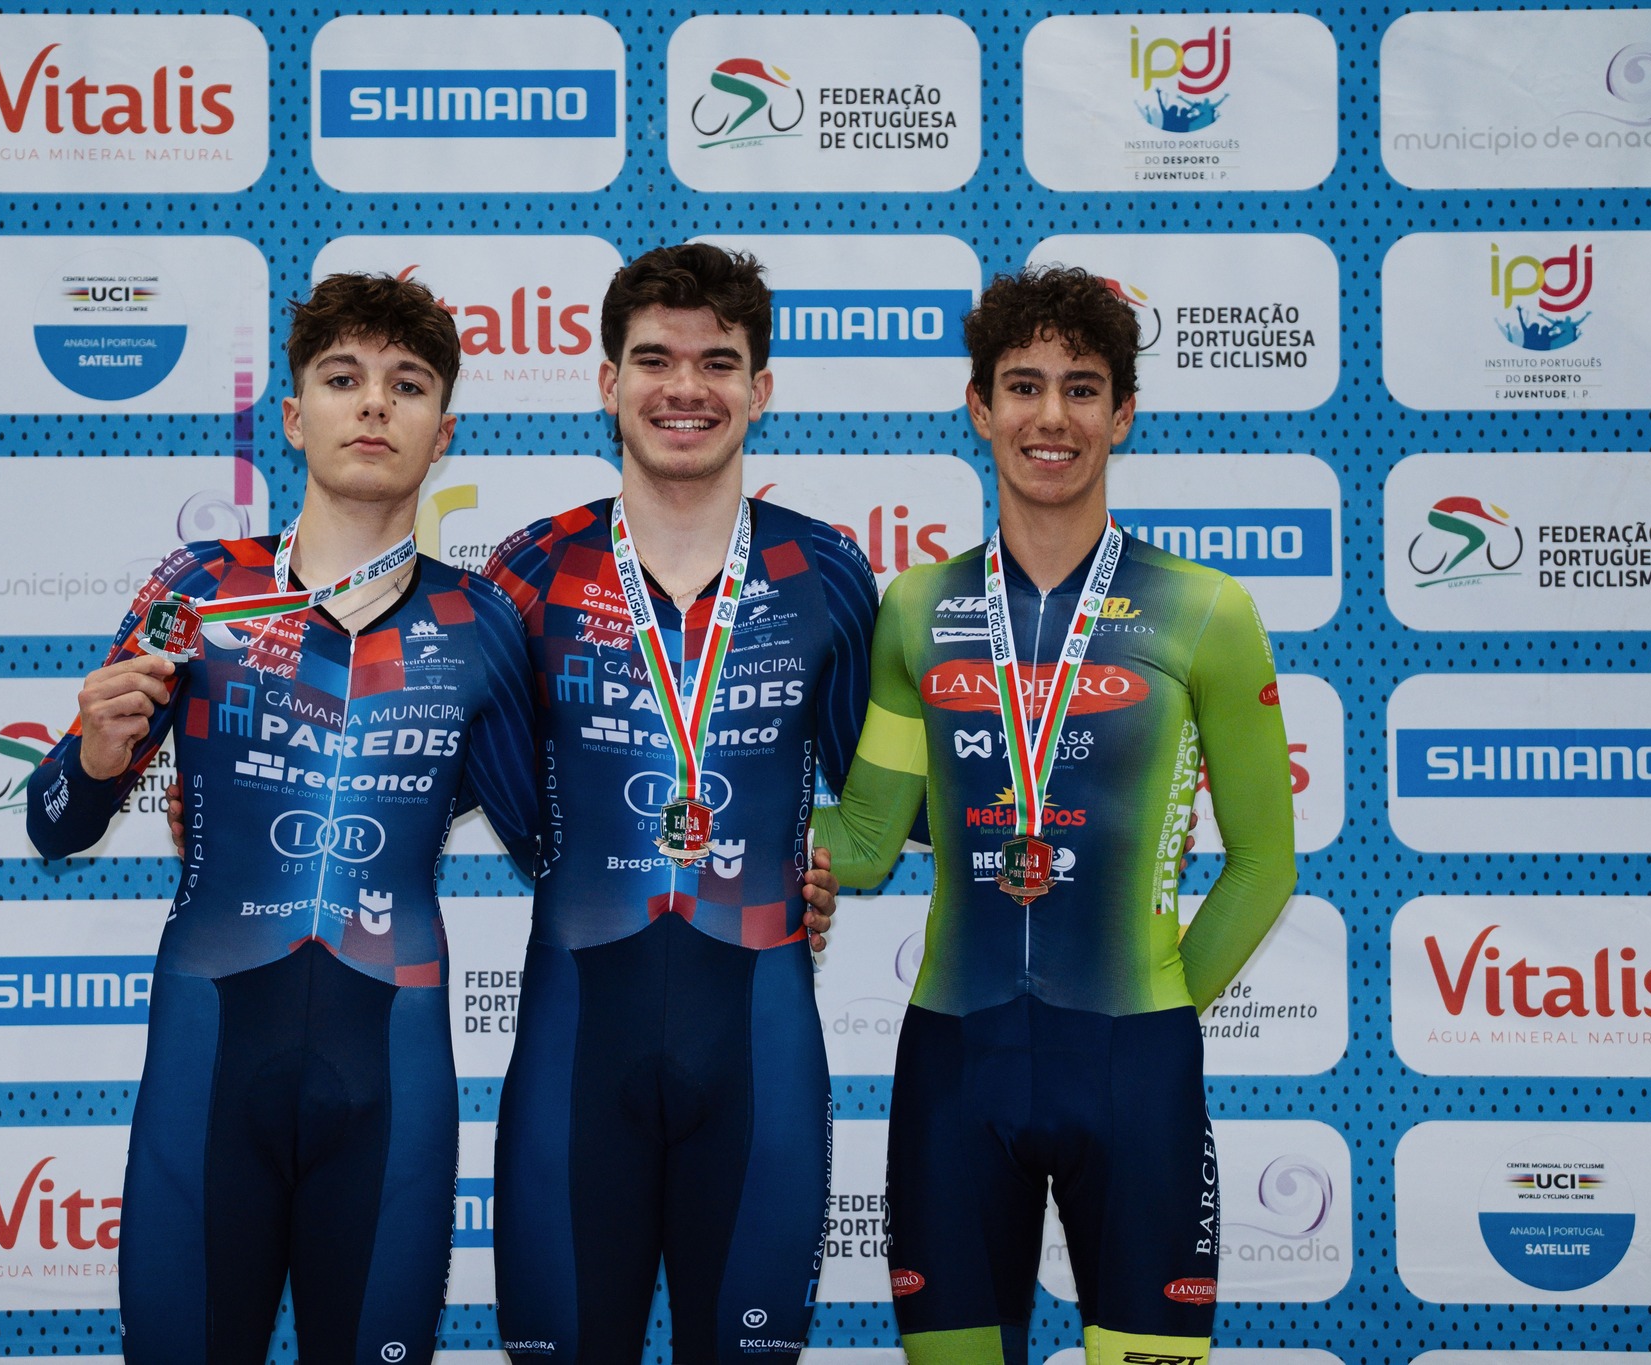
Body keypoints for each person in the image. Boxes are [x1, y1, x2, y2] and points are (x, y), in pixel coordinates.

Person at [26, 272, 540, 1365]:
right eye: (342, 379)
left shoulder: (481, 618)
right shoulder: (200, 586)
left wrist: (777, 875)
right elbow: (55, 823)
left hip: (388, 1067)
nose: (371, 406)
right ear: (295, 416)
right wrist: (98, 756)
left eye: (405, 386)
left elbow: (559, 846)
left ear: (441, 431)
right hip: (210, 1056)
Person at [811, 265, 1298, 1365]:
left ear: (1121, 414)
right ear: (977, 407)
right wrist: (708, 816)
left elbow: (1266, 863)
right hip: (953, 1067)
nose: (1049, 417)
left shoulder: (1206, 611)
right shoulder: (916, 609)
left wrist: (1160, 1006)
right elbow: (866, 840)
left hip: (1133, 1072)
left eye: (1081, 389)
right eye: (1021, 386)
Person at [481, 243, 877, 1364]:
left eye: (718, 362)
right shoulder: (530, 570)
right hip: (575, 1042)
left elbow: (879, 797)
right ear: (607, 383)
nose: (684, 388)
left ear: (760, 389)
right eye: (652, 359)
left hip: (756, 1039)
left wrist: (821, 864)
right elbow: (433, 762)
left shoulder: (827, 571)